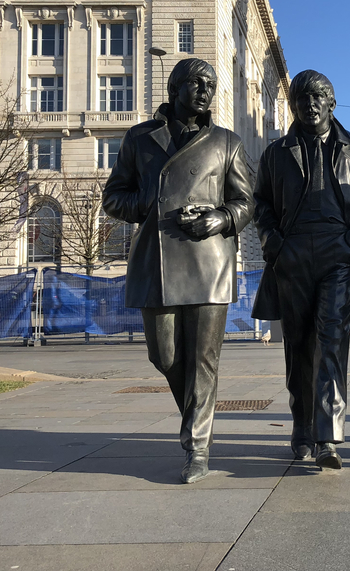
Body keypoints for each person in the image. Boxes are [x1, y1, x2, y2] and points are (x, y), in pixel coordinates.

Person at [102, 58, 254, 483]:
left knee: (204, 360)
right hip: (157, 262)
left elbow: (247, 201)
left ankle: (197, 448)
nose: (206, 91)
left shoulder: (226, 142)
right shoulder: (139, 138)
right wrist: (150, 202)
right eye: (197, 83)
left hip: (209, 262)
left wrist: (220, 218)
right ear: (175, 88)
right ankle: (196, 423)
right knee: (164, 355)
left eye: (211, 84)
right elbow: (113, 197)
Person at [251, 69, 350, 470]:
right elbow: (261, 204)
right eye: (302, 98)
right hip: (292, 256)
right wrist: (276, 245)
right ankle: (302, 426)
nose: (310, 104)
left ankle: (328, 436)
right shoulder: (276, 153)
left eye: (318, 97)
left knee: (331, 342)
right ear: (293, 106)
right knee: (298, 346)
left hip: (338, 256)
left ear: (332, 103)